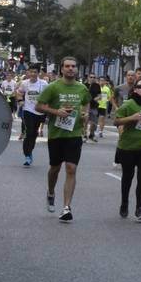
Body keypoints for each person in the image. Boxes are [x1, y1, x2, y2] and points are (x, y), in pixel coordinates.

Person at [35, 56, 91, 223]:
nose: (70, 69)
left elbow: (86, 104)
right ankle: (51, 191)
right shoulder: (53, 87)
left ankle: (66, 207)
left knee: (71, 169)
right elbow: (39, 106)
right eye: (67, 66)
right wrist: (55, 111)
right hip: (57, 135)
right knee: (55, 168)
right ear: (61, 69)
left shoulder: (82, 88)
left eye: (73, 66)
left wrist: (84, 114)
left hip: (74, 135)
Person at [111, 76, 141, 221]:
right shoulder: (128, 105)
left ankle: (139, 208)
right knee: (128, 177)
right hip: (128, 146)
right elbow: (116, 121)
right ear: (135, 90)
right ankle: (124, 203)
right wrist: (132, 118)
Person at [17, 67, 47, 166]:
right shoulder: (25, 83)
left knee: (34, 133)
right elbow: (19, 92)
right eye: (31, 72)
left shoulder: (43, 84)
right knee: (29, 132)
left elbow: (50, 95)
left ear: (38, 73)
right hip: (28, 110)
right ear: (28, 73)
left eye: (35, 72)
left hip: (39, 111)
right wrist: (20, 100)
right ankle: (27, 155)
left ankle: (30, 151)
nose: (33, 74)